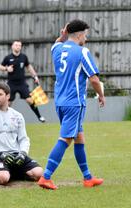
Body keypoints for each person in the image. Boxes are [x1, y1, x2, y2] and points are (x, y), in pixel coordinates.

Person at [37, 19, 105, 190]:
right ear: (80, 34)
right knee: (66, 139)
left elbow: (56, 43)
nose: (86, 39)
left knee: (79, 137)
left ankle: (88, 178)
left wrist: (62, 36)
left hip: (60, 102)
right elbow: (94, 79)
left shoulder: (57, 49)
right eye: (86, 35)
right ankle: (46, 176)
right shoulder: (82, 52)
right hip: (74, 103)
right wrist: (101, 95)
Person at [0, 82, 43, 185]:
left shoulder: (17, 116)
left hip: (16, 155)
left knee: (39, 174)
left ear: (8, 96)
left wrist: (23, 153)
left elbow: (23, 139)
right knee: (3, 179)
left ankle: (11, 172)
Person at [0, 40, 46, 123]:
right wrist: (7, 69)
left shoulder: (23, 57)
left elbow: (29, 67)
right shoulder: (8, 57)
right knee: (8, 103)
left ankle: (39, 116)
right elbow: (0, 66)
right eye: (16, 45)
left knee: (30, 100)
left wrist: (35, 76)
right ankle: (2, 120)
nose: (18, 47)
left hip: (21, 83)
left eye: (19, 45)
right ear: (12, 47)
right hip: (11, 84)